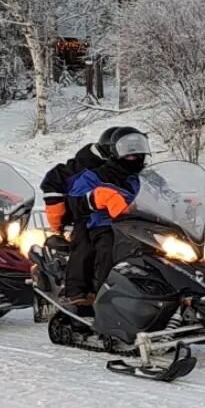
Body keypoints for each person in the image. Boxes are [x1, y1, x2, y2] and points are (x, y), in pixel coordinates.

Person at [65, 129, 150, 303]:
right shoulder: (96, 176)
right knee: (110, 246)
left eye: (137, 150)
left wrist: (186, 201)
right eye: (127, 151)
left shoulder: (148, 177)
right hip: (107, 224)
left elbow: (165, 193)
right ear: (114, 152)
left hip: (145, 225)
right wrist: (98, 197)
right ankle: (105, 296)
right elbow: (76, 200)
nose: (133, 156)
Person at [39, 126, 122, 236]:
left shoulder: (126, 168)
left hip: (122, 221)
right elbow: (53, 185)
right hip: (85, 224)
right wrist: (59, 225)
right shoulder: (81, 170)